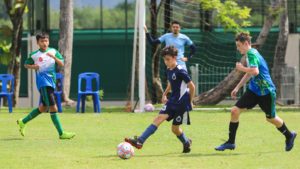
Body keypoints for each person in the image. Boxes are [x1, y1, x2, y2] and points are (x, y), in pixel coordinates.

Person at [215, 32, 296, 151]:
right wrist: (237, 87)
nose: (238, 49)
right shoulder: (250, 55)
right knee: (235, 111)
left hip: (266, 92)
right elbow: (250, 73)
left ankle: (289, 135)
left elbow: (255, 71)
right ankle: (231, 142)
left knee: (271, 118)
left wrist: (241, 68)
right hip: (254, 90)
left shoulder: (252, 53)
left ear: (246, 43)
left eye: (238, 45)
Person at [125, 46, 195, 153]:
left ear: (175, 58)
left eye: (168, 59)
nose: (166, 62)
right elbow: (171, 83)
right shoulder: (168, 69)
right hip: (172, 101)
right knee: (158, 118)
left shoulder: (181, 71)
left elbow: (192, 86)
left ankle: (186, 142)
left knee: (175, 129)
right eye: (164, 59)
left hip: (182, 103)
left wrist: (190, 101)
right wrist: (165, 94)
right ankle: (140, 141)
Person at [17, 32, 75, 139]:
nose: (45, 43)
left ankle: (23, 121)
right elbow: (25, 64)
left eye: (46, 40)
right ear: (38, 43)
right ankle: (61, 133)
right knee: (53, 107)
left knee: (43, 108)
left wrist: (54, 57)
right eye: (42, 41)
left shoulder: (53, 51)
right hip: (43, 84)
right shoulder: (34, 55)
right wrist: (33, 67)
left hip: (51, 83)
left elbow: (61, 64)